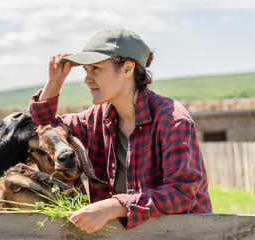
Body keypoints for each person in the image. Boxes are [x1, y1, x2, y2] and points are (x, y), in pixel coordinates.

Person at [28, 28, 212, 233]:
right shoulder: (96, 118)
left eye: (96, 68)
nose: (87, 79)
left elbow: (182, 194)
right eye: (86, 70)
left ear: (127, 69)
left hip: (183, 235)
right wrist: (54, 83)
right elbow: (45, 129)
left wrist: (115, 206)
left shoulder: (173, 120)